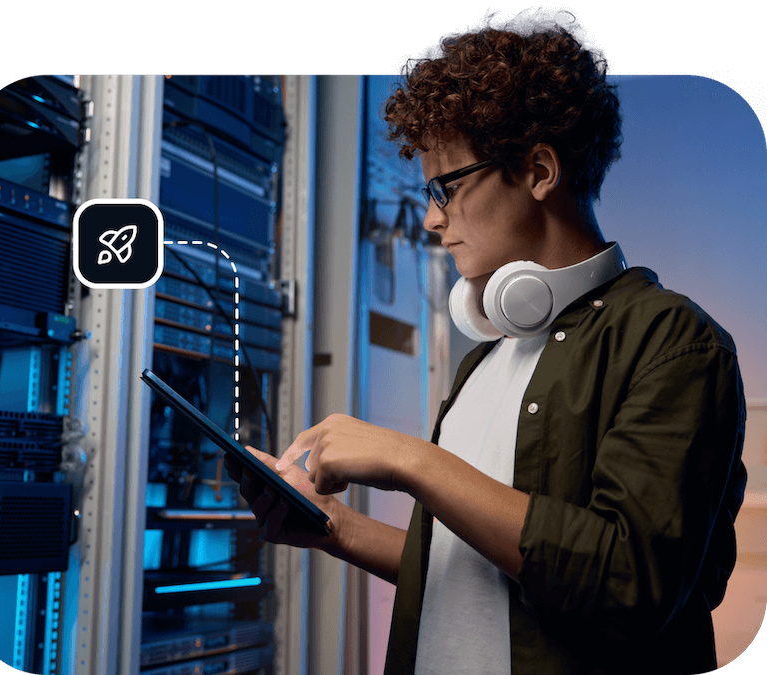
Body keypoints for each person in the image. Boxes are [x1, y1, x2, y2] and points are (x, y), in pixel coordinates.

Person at [224, 9, 747, 674]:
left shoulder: (675, 342)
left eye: (447, 188)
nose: (435, 220)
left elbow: (627, 583)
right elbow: (470, 571)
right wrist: (335, 528)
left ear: (537, 170)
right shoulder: (486, 357)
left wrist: (411, 459)